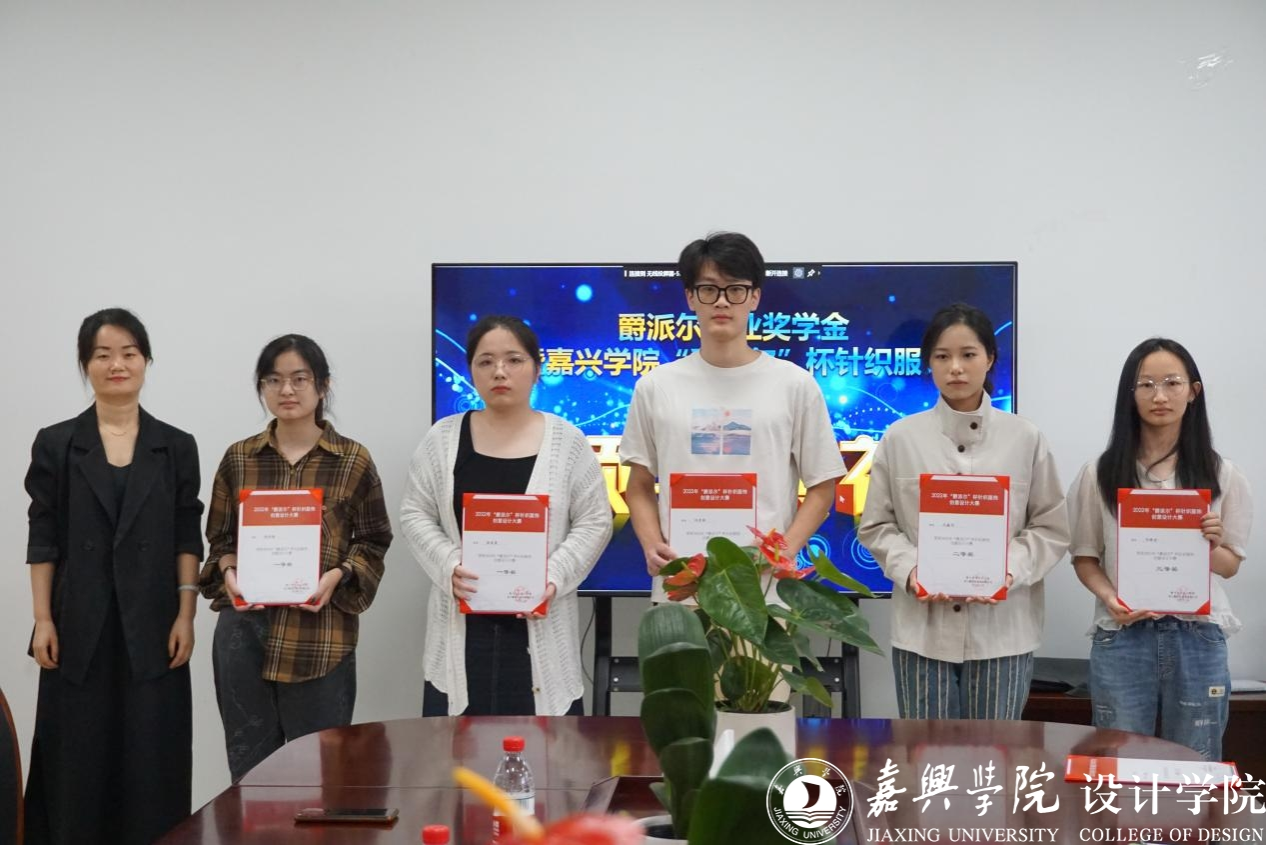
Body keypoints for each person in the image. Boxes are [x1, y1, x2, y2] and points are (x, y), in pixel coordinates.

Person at [23, 308, 203, 844]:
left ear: (146, 360)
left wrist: (187, 615)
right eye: (102, 355)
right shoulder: (57, 443)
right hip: (77, 624)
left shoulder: (175, 445)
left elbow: (186, 535)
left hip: (155, 624)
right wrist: (42, 619)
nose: (116, 364)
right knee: (76, 758)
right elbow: (43, 537)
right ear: (86, 365)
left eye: (128, 353)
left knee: (152, 757)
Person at [858, 303, 1069, 719]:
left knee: (995, 751)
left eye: (968, 354)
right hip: (922, 632)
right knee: (924, 750)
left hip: (1003, 633)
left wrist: (1007, 569)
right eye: (942, 356)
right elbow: (877, 526)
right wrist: (912, 569)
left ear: (990, 358)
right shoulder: (901, 438)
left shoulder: (1025, 438)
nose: (955, 367)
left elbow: (1050, 527)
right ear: (929, 363)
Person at [198, 334, 391, 782]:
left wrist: (339, 574)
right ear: (262, 387)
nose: (286, 390)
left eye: (299, 379)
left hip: (320, 638)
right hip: (244, 639)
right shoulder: (239, 458)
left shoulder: (352, 460)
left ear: (323, 385)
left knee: (324, 780)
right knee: (251, 779)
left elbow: (374, 540)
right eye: (273, 380)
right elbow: (219, 539)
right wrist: (228, 571)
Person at [401, 315, 611, 716]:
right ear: (471, 371)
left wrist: (553, 576)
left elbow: (595, 520)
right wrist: (448, 565)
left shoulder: (568, 442)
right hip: (462, 631)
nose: (500, 371)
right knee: (455, 751)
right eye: (486, 361)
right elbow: (415, 512)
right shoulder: (442, 438)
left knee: (545, 751)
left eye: (514, 360)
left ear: (537, 368)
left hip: (541, 629)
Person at [621, 232, 845, 597]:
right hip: (684, 585)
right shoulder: (656, 386)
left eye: (736, 289)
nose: (722, 301)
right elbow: (639, 486)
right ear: (690, 297)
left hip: (765, 593)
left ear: (755, 297)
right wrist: (651, 545)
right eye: (709, 289)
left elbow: (822, 486)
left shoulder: (794, 384)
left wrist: (784, 551)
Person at [1067, 338, 1251, 761]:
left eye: (1172, 382)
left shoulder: (1223, 474)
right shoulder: (1099, 473)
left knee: (1195, 764)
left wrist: (1210, 544)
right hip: (1124, 636)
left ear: (1193, 391)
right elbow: (1085, 557)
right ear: (1130, 394)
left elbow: (1229, 566)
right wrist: (1110, 598)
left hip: (1197, 635)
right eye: (1146, 384)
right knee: (1119, 763)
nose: (1160, 396)